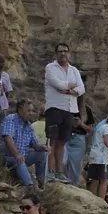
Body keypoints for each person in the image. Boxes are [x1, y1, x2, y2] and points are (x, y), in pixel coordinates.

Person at [42, 43, 85, 183]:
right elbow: (57, 84)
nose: (63, 53)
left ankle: (59, 172)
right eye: (60, 51)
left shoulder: (74, 70)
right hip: (55, 108)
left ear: (69, 53)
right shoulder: (50, 68)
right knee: (52, 140)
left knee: (62, 142)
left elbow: (81, 89)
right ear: (56, 53)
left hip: (70, 110)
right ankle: (50, 171)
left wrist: (68, 90)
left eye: (65, 51)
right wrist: (71, 86)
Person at [0, 98, 47, 188]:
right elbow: (8, 138)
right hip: (8, 157)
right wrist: (17, 154)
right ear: (20, 109)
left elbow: (35, 145)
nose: (31, 113)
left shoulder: (28, 125)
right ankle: (30, 187)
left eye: (32, 111)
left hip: (22, 156)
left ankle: (41, 183)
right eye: (28, 110)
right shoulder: (11, 119)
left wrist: (43, 147)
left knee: (42, 154)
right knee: (19, 160)